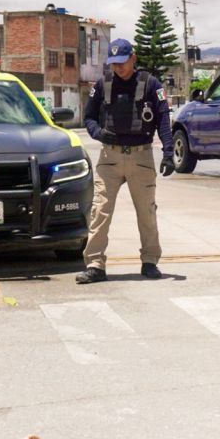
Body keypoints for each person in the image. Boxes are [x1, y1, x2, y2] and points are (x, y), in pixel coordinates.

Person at [77, 38, 174, 284]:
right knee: (100, 210)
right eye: (114, 64)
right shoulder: (103, 85)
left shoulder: (151, 84)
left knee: (146, 212)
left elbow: (163, 118)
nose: (118, 68)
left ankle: (150, 261)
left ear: (133, 58)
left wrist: (168, 152)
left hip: (141, 156)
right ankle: (95, 264)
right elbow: (89, 117)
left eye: (122, 62)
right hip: (109, 156)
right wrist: (99, 133)